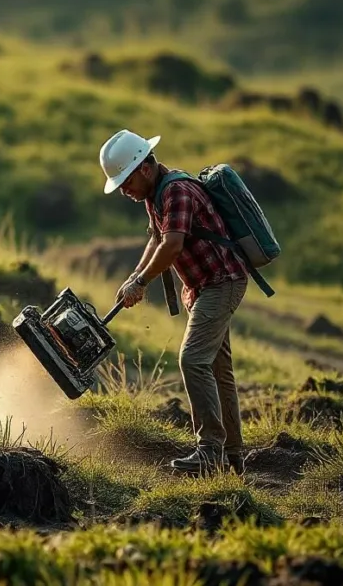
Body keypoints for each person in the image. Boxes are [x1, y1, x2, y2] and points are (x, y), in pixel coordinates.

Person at [99, 129, 249, 476]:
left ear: (145, 168)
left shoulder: (177, 190)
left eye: (126, 181)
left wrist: (141, 281)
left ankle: (210, 452)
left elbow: (172, 245)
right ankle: (232, 455)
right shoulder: (156, 194)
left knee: (192, 360)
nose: (124, 190)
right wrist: (133, 279)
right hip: (204, 287)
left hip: (221, 282)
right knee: (216, 369)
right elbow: (156, 238)